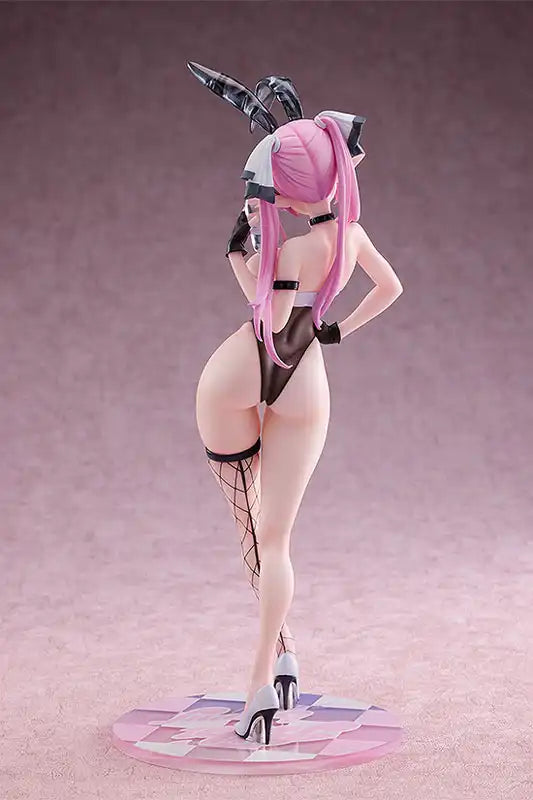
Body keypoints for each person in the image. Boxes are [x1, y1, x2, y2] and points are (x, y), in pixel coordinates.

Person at [189, 62, 403, 746]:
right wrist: (337, 330)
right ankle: (274, 664)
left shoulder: (293, 249)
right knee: (275, 538)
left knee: (249, 530)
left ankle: (265, 676)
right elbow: (389, 290)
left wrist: (241, 256)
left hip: (241, 371)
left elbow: (270, 319)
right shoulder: (350, 238)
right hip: (306, 377)